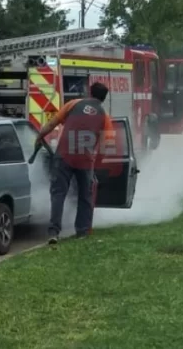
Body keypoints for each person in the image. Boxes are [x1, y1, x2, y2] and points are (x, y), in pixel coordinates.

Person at [35, 82, 115, 244]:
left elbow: (52, 124)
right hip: (85, 160)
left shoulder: (73, 104)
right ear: (104, 98)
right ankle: (82, 232)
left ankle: (53, 232)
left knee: (58, 195)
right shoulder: (104, 116)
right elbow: (108, 146)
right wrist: (96, 162)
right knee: (85, 197)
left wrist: (39, 137)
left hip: (63, 156)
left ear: (89, 92)